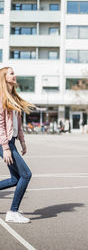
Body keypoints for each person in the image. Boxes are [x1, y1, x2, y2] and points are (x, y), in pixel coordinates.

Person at [0, 67, 35, 223]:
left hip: (12, 140)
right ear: (4, 77)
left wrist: (22, 141)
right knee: (26, 175)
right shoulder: (1, 97)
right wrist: (6, 148)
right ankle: (13, 212)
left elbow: (18, 124)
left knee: (15, 178)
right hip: (4, 142)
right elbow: (0, 125)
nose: (15, 75)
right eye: (11, 73)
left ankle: (14, 211)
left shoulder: (13, 97)